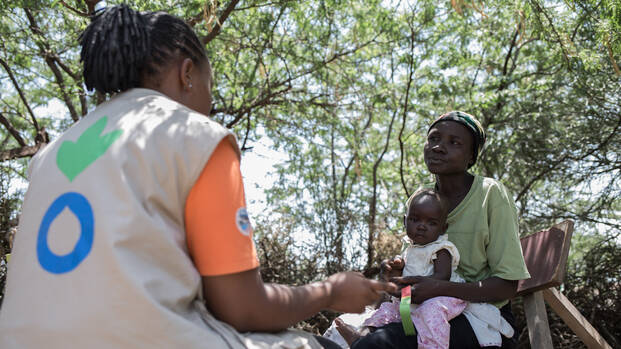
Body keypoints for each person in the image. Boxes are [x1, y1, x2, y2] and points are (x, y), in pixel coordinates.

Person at [0, 5, 396, 349]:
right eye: (210, 85)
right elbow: (243, 308)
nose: (209, 103)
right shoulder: (194, 135)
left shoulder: (50, 155)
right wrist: (329, 292)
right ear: (187, 73)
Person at [345, 111, 531, 348]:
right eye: (434, 138)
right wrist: (394, 276)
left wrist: (440, 288)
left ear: (471, 155)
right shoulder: (423, 198)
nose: (438, 147)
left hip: (482, 319)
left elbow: (507, 285)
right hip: (419, 311)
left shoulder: (491, 194)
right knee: (362, 335)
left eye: (454, 142)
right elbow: (415, 266)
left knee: (377, 345)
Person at [331, 188, 467, 349]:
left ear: (443, 228)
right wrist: (398, 268)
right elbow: (409, 272)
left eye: (431, 223)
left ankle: (433, 346)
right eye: (416, 220)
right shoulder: (410, 249)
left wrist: (413, 288)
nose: (422, 226)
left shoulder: (441, 249)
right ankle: (362, 336)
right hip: (413, 295)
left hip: (441, 296)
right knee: (388, 311)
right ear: (405, 221)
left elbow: (443, 277)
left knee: (431, 313)